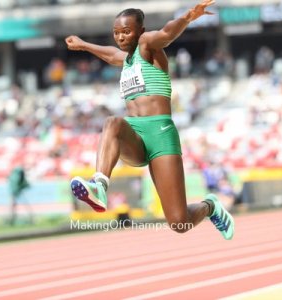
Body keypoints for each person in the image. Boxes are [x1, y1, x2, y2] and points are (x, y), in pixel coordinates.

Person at [65, 0, 234, 239]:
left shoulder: (148, 45)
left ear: (140, 31)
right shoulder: (125, 60)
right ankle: (100, 185)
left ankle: (211, 206)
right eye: (116, 33)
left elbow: (166, 33)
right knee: (112, 122)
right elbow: (110, 54)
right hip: (136, 134)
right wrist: (83, 45)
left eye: (126, 31)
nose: (121, 37)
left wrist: (187, 17)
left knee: (179, 223)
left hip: (160, 133)